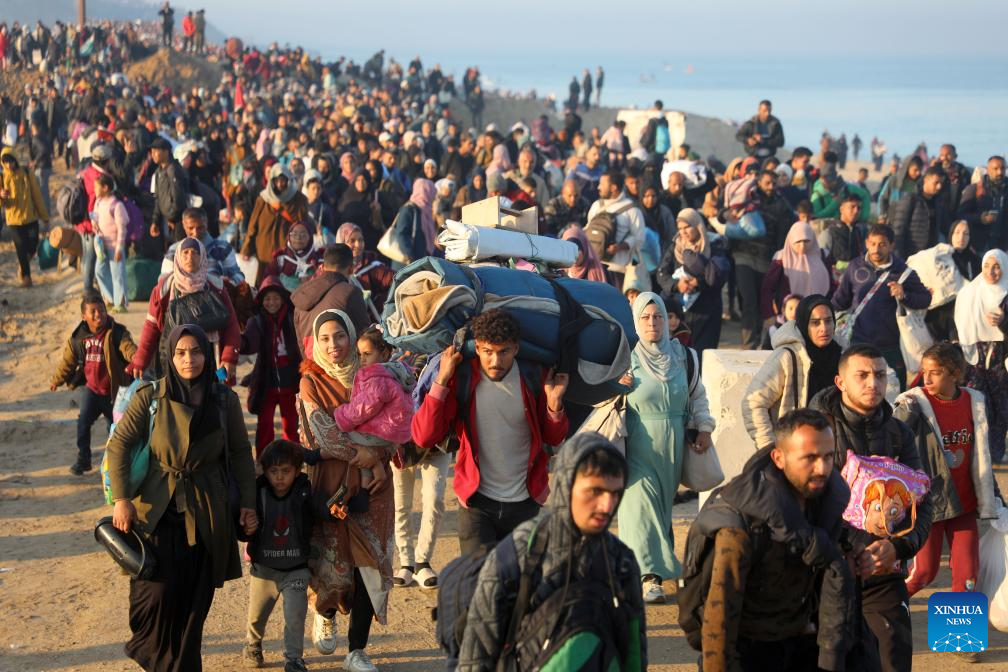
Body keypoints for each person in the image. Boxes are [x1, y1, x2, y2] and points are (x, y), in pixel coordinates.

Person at [108, 324, 257, 672]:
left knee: (193, 605)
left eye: (196, 351)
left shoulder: (224, 400)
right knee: (153, 597)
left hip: (207, 512)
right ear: (169, 357)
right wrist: (121, 498)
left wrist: (248, 504)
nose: (189, 359)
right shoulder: (150, 397)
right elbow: (119, 446)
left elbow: (240, 453)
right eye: (181, 353)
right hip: (156, 512)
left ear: (207, 353)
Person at [681, 409, 855, 672]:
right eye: (809, 458)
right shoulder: (739, 530)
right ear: (779, 458)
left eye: (828, 456)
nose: (822, 469)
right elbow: (718, 626)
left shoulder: (824, 507)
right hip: (747, 653)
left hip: (802, 645)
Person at [456, 433, 646, 670]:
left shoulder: (622, 561)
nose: (607, 505)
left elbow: (634, 653)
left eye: (615, 493)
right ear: (567, 485)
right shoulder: (521, 552)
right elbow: (478, 652)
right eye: (595, 491)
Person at [808, 344, 933, 672]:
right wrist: (858, 544)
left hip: (884, 574)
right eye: (861, 375)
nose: (873, 383)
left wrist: (898, 547)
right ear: (840, 382)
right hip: (825, 573)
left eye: (879, 375)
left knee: (892, 659)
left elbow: (923, 501)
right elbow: (805, 505)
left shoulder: (899, 433)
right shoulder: (814, 432)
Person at [411, 309, 570, 555]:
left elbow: (553, 438)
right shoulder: (463, 378)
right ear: (477, 348)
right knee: (478, 578)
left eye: (504, 352)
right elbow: (424, 436)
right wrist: (442, 379)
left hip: (526, 504)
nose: (495, 361)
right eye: (488, 351)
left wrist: (554, 404)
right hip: (477, 505)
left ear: (516, 348)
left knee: (520, 579)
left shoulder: (534, 377)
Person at [297, 310, 393, 672]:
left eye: (339, 336)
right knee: (330, 557)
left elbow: (397, 422)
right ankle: (325, 612)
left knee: (369, 564)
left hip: (374, 485)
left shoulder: (375, 374)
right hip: (330, 482)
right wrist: (366, 455)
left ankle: (357, 650)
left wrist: (380, 456)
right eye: (324, 338)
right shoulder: (311, 381)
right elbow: (322, 435)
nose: (333, 345)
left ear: (352, 337)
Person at [618, 292, 715, 603]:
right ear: (636, 321)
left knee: (660, 511)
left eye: (658, 316)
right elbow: (605, 400)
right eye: (645, 317)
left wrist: (704, 427)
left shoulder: (684, 357)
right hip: (638, 444)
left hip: (673, 445)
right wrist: (616, 386)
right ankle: (649, 576)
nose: (652, 323)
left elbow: (697, 396)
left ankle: (649, 568)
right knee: (639, 506)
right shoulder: (625, 358)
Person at [894, 343, 1001, 619]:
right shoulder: (915, 403)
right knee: (924, 572)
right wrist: (906, 412)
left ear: (955, 374)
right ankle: (877, 609)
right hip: (930, 506)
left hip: (964, 505)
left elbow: (981, 454)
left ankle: (958, 636)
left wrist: (994, 494)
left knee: (967, 576)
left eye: (936, 372)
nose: (927, 378)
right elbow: (893, 435)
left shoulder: (973, 402)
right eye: (924, 371)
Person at [242, 439, 314, 672]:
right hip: (265, 569)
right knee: (257, 617)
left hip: (296, 568)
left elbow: (320, 512)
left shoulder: (305, 492)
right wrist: (247, 527)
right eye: (274, 471)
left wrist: (333, 510)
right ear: (265, 471)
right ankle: (253, 645)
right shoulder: (257, 493)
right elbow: (242, 524)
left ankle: (294, 659)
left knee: (295, 617)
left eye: (286, 471)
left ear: (297, 470)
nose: (280, 477)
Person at [127, 238, 241, 381]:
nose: (190, 257)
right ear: (178, 257)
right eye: (185, 252)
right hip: (174, 358)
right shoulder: (164, 289)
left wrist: (229, 357)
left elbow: (231, 325)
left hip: (210, 357)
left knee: (211, 391)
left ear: (202, 256)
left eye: (195, 252)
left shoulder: (216, 286)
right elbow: (151, 326)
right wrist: (140, 360)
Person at [831, 225, 930, 386]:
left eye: (882, 244)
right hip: (858, 342)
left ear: (891, 245)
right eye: (873, 244)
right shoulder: (854, 266)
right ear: (866, 243)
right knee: (859, 388)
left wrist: (904, 295)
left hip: (890, 346)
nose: (876, 249)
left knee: (891, 389)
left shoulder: (903, 272)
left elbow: (925, 299)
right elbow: (839, 301)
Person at [49, 291, 137, 475]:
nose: (99, 315)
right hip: (92, 391)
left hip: (114, 393)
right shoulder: (79, 338)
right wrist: (56, 380)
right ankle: (84, 460)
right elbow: (68, 362)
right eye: (93, 312)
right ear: (84, 316)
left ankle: (118, 464)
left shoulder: (116, 333)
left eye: (102, 310)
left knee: (115, 431)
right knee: (83, 424)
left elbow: (128, 348)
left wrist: (137, 359)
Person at [744, 295, 841, 451]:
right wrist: (770, 448)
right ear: (803, 323)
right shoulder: (786, 357)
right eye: (815, 323)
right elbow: (753, 403)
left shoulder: (842, 354)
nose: (824, 328)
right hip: (794, 452)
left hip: (833, 452)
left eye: (828, 321)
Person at [954, 249, 1008, 465]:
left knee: (1001, 407)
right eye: (987, 266)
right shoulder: (970, 293)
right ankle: (978, 452)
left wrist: (1004, 322)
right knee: (976, 405)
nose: (991, 272)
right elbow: (958, 325)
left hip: (1001, 359)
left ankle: (996, 451)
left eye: (996, 267)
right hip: (974, 359)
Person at [657, 208, 730, 354]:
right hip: (680, 313)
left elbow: (720, 274)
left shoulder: (714, 245)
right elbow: (662, 273)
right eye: (680, 228)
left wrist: (699, 282)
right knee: (681, 356)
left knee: (704, 356)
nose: (683, 232)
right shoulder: (675, 246)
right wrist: (677, 285)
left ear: (697, 226)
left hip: (707, 311)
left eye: (687, 227)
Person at [242, 278, 302, 457]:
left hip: (290, 379)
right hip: (266, 380)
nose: (272, 302)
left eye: (276, 298)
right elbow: (250, 344)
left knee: (291, 424)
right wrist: (238, 342)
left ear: (283, 299)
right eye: (267, 299)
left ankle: (293, 458)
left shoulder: (293, 318)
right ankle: (263, 459)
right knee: (265, 424)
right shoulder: (256, 321)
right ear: (261, 301)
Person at [290, 243, 370, 354]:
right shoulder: (350, 292)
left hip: (311, 362)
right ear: (351, 269)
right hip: (339, 361)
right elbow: (365, 335)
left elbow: (300, 342)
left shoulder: (302, 294)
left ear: (322, 267)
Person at [242, 163, 310, 286]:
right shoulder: (263, 199)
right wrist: (246, 249)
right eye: (277, 181)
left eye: (283, 180)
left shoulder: (299, 200)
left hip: (287, 256)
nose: (280, 184)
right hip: (263, 254)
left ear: (288, 180)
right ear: (271, 181)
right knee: (263, 288)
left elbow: (304, 227)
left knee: (284, 288)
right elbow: (253, 226)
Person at [761, 221, 832, 322]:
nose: (802, 246)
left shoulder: (823, 256)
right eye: (798, 242)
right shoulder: (781, 258)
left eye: (806, 241)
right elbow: (767, 288)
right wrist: (769, 315)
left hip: (818, 314)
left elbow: (832, 285)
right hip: (789, 317)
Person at [586, 169, 645, 289]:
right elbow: (588, 228)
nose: (598, 187)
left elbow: (639, 239)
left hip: (617, 270)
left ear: (613, 187)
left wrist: (620, 247)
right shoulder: (596, 205)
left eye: (602, 184)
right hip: (593, 267)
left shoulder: (632, 210)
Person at [0, 146, 48, 287]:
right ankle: (27, 278)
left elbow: (37, 195)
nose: (9, 165)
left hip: (30, 218)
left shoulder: (27, 172)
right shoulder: (2, 177)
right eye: (5, 162)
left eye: (11, 161)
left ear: (15, 160)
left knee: (33, 245)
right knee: (20, 248)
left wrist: (44, 216)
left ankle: (23, 266)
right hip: (13, 221)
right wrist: (1, 196)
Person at [161, 208, 246, 285]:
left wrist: (226, 283)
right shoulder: (175, 250)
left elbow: (238, 276)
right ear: (184, 225)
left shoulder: (222, 248)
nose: (195, 233)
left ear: (206, 223)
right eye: (190, 228)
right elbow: (163, 279)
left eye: (200, 228)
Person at [334, 222, 395, 314]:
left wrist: (381, 303)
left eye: (361, 240)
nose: (358, 245)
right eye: (352, 241)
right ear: (342, 243)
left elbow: (396, 279)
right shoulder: (331, 268)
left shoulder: (373, 267)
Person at [889, 166, 949, 259]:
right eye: (936, 182)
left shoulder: (938, 203)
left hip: (930, 256)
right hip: (911, 254)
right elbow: (898, 229)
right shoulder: (911, 199)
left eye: (941, 183)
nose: (939, 186)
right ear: (926, 180)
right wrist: (899, 256)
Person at [91, 173, 129, 312]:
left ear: (105, 187)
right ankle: (110, 299)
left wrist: (119, 248)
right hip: (102, 246)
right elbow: (95, 217)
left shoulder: (116, 205)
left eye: (96, 187)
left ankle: (121, 303)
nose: (94, 190)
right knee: (99, 271)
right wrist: (94, 224)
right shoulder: (98, 202)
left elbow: (122, 228)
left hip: (114, 246)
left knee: (118, 275)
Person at [956, 155, 1006, 253]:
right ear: (988, 170)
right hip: (979, 244)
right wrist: (981, 218)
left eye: (1003, 168)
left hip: (1002, 245)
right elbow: (961, 215)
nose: (999, 172)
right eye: (995, 169)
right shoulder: (974, 189)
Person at [149, 137, 190, 244]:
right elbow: (158, 198)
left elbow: (179, 198)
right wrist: (155, 221)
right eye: (151, 152)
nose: (152, 155)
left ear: (166, 152)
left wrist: (172, 218)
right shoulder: (158, 172)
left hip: (178, 223)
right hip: (166, 222)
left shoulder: (174, 170)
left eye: (155, 151)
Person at [262, 221, 324, 292]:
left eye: (303, 235)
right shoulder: (280, 259)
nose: (298, 238)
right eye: (294, 234)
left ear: (310, 238)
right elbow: (268, 284)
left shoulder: (320, 260)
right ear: (289, 237)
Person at [818, 193, 866, 267]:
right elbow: (820, 261)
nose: (856, 211)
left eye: (859, 208)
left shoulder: (861, 233)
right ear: (842, 209)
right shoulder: (829, 234)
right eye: (852, 207)